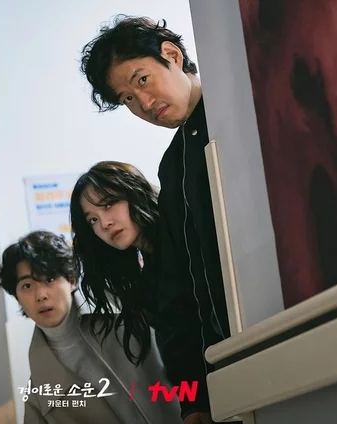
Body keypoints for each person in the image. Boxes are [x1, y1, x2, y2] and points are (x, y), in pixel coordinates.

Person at [79, 16, 234, 424]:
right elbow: (186, 288)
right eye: (128, 98)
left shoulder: (238, 112)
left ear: (172, 55)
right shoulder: (173, 163)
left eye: (142, 80)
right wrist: (194, 400)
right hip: (228, 360)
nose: (144, 104)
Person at [0, 230, 181, 424]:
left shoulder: (125, 316)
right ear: (17, 297)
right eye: (27, 286)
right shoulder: (39, 397)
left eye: (49, 279)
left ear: (72, 280)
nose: (41, 295)